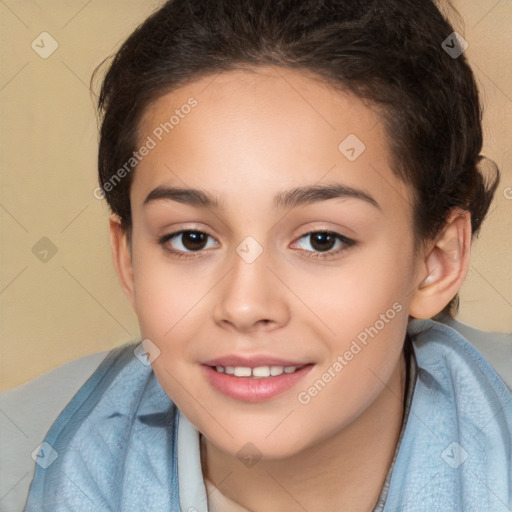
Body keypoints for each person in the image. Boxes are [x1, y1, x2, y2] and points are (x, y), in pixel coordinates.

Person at [24, 0, 512, 510]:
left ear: (436, 261)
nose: (244, 305)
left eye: (322, 240)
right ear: (128, 261)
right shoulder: (24, 465)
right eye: (191, 239)